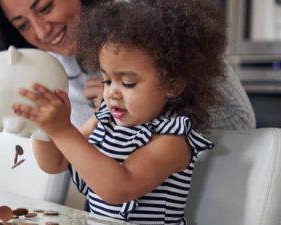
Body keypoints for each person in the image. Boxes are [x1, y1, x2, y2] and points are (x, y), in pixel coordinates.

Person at [12, 0, 226, 223]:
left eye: (128, 83)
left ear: (172, 85)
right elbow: (54, 163)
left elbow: (119, 188)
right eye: (106, 80)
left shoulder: (172, 140)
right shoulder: (103, 119)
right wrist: (42, 127)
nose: (111, 93)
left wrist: (63, 130)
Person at [0, 0, 256, 130]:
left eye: (46, 7)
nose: (41, 31)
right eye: (23, 25)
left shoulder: (146, 23)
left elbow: (239, 121)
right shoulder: (54, 70)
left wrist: (143, 105)